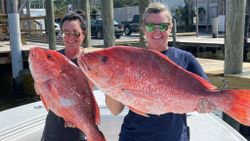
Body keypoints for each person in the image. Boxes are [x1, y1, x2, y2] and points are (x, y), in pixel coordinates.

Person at [105, 2, 215, 141]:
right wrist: (110, 84)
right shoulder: (130, 60)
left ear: (171, 28)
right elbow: (115, 110)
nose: (157, 31)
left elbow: (210, 95)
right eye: (151, 26)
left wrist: (207, 105)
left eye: (163, 26)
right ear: (143, 28)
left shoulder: (186, 59)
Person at [40, 10, 87, 141]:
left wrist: (73, 116)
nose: (70, 37)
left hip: (78, 129)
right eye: (66, 32)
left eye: (76, 33)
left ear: (84, 34)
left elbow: (87, 98)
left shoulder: (88, 63)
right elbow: (41, 90)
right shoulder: (52, 58)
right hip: (52, 129)